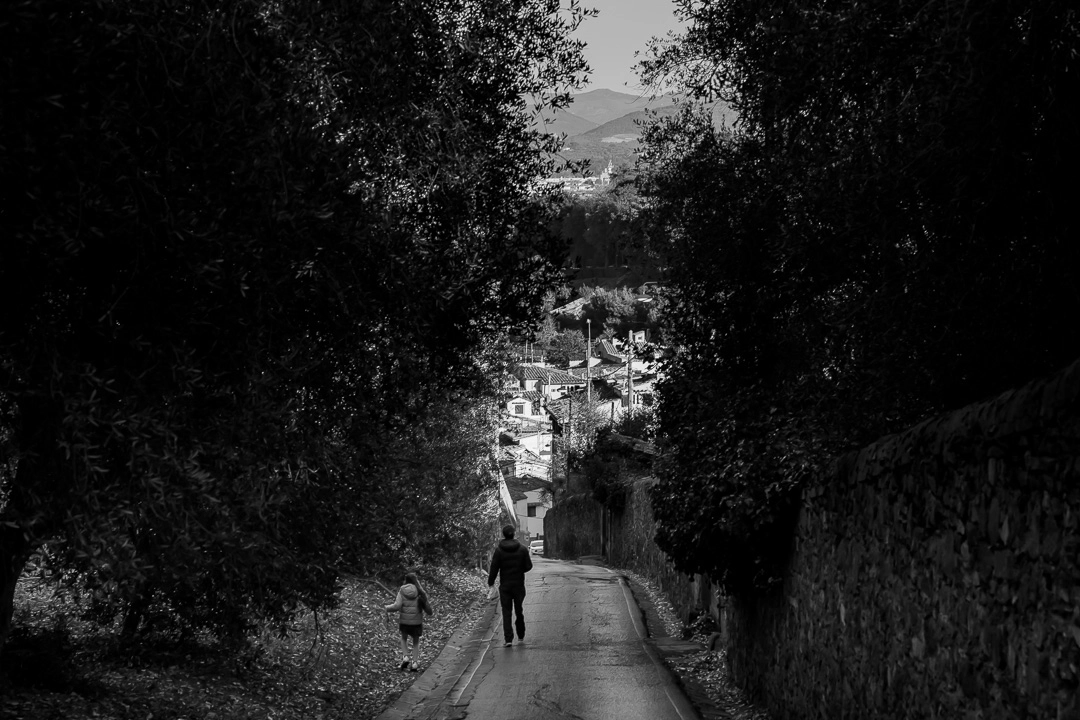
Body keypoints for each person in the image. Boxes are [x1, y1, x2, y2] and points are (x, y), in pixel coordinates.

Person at [487, 524, 533, 647]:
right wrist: (519, 569)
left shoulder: (499, 550)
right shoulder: (522, 549)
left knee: (506, 612)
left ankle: (508, 639)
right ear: (514, 534)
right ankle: (521, 634)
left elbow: (494, 568)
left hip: (505, 586)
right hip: (518, 585)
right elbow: (529, 566)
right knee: (519, 610)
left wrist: (490, 583)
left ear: (503, 534)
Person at [384, 572, 434, 671]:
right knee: (416, 641)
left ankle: (406, 656)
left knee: (403, 638)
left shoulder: (402, 590)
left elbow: (396, 606)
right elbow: (427, 607)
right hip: (417, 622)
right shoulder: (420, 591)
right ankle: (415, 663)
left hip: (404, 622)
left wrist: (385, 608)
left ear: (405, 580)